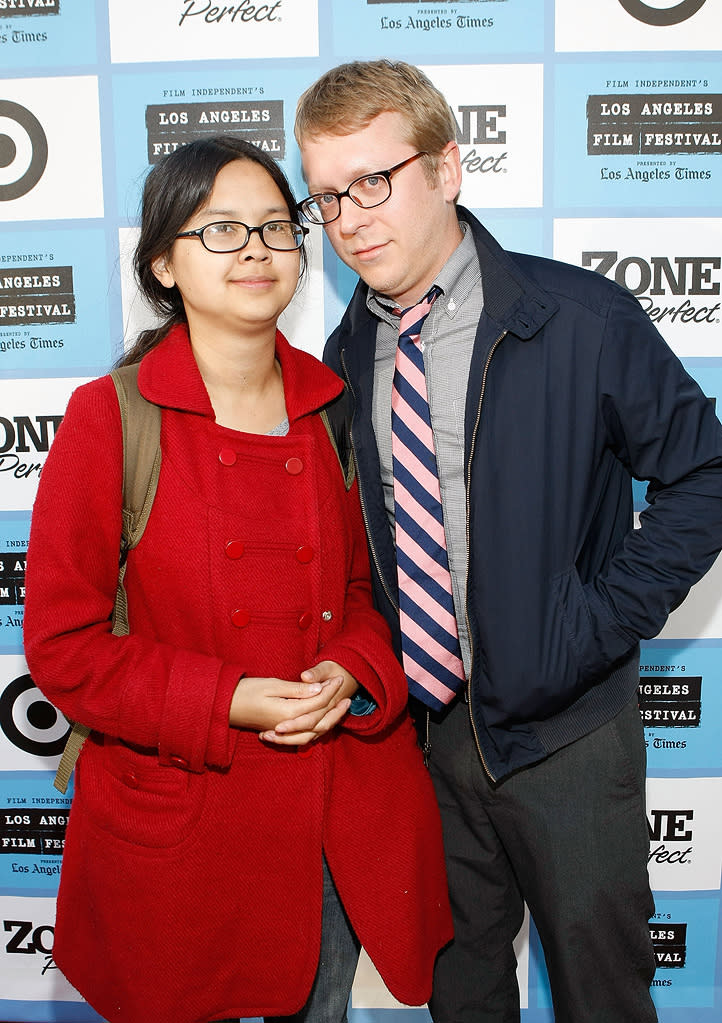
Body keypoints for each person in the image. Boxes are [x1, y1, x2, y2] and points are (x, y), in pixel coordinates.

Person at [294, 60, 722, 1023]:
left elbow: (705, 474)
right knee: (461, 997)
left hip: (567, 733)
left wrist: (595, 621)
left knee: (602, 998)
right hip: (425, 744)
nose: (351, 217)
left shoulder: (581, 319)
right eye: (327, 196)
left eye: (375, 180)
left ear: (448, 167)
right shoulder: (345, 353)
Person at [22, 135, 452, 1023]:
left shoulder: (331, 407)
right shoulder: (112, 417)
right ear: (163, 264)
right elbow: (63, 650)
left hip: (324, 825)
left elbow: (374, 596)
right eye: (219, 230)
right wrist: (228, 699)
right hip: (181, 834)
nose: (256, 248)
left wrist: (351, 668)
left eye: (272, 226)